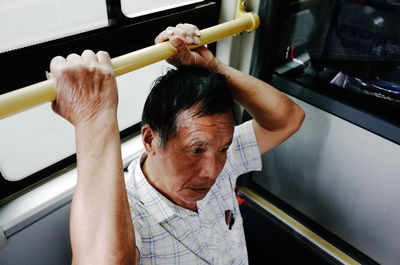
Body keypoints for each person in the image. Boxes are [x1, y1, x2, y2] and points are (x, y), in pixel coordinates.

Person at [50, 23, 304, 265]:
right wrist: (94, 118)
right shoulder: (128, 211)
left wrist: (214, 67)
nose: (213, 171)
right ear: (151, 140)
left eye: (224, 149)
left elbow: (287, 119)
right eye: (196, 150)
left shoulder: (217, 152)